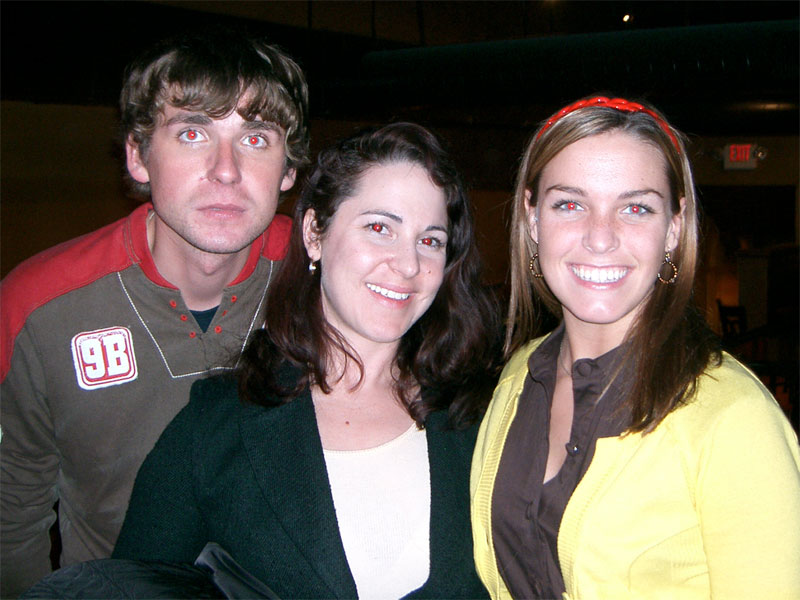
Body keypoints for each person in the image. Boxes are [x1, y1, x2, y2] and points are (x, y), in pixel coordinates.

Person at [112, 122, 498, 599]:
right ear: (315, 233)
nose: (408, 264)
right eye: (380, 228)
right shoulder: (215, 427)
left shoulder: (483, 417)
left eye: (431, 240)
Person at [0, 29, 308, 597]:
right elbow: (12, 514)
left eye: (256, 138)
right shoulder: (37, 308)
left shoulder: (327, 281)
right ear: (138, 156)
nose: (226, 169)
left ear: (288, 171)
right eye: (192, 133)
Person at [470, 96, 800, 599]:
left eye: (635, 208)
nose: (600, 238)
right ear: (533, 220)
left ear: (673, 228)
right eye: (570, 204)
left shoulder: (734, 418)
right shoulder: (518, 376)